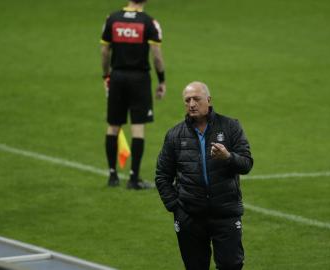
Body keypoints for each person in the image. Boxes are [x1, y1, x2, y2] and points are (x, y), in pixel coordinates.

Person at [155, 82, 253, 270]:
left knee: (231, 265)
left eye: (196, 99)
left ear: (208, 100)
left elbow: (247, 164)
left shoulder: (230, 127)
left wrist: (228, 157)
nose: (191, 104)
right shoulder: (175, 135)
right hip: (190, 217)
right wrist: (176, 209)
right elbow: (162, 175)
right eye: (187, 100)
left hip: (225, 213)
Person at [100, 0, 166, 189]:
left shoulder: (112, 19)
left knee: (113, 125)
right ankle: (133, 178)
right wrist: (162, 80)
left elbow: (105, 51)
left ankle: (112, 176)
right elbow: (157, 55)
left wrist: (106, 75)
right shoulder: (149, 22)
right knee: (138, 127)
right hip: (140, 79)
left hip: (117, 77)